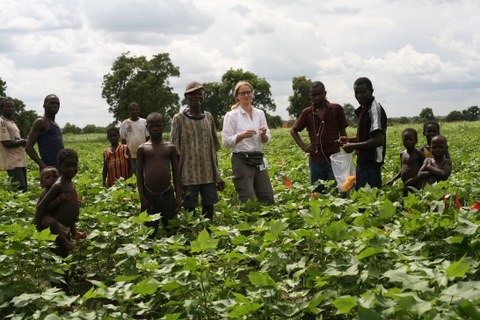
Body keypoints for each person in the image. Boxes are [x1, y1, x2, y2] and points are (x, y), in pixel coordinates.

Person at [170, 81, 224, 220]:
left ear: (202, 96)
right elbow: (174, 152)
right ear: (187, 97)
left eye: (199, 93)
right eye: (192, 94)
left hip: (208, 174)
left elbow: (213, 149)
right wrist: (177, 181)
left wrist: (217, 175)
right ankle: (190, 239)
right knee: (190, 210)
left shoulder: (209, 117)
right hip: (188, 176)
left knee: (209, 206)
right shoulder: (179, 119)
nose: (196, 97)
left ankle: (208, 235)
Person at [222, 81, 274, 206]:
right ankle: (248, 223)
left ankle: (267, 223)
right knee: (248, 200)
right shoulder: (232, 116)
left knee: (267, 196)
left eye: (248, 92)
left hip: (257, 157)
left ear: (252, 94)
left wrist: (263, 135)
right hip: (241, 159)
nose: (246, 95)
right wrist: (242, 136)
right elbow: (226, 141)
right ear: (237, 96)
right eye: (242, 93)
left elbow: (267, 139)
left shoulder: (259, 113)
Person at [290, 81, 348, 192]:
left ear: (325, 93)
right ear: (310, 95)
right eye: (313, 95)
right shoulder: (307, 113)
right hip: (315, 160)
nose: (316, 98)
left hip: (334, 159)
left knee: (336, 191)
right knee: (317, 193)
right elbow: (293, 130)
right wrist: (304, 147)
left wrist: (344, 143)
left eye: (319, 94)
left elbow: (342, 130)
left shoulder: (336, 109)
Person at [35, 149, 87, 257]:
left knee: (65, 254)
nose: (72, 169)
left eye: (74, 165)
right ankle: (63, 273)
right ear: (60, 168)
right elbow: (41, 206)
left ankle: (68, 272)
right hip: (58, 226)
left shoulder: (69, 182)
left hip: (66, 226)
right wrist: (37, 225)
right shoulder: (58, 185)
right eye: (67, 166)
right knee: (59, 253)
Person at [137, 112, 181, 237]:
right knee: (149, 232)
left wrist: (177, 196)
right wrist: (142, 197)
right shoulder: (142, 149)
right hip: (149, 194)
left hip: (168, 193)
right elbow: (139, 175)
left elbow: (176, 173)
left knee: (172, 229)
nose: (155, 129)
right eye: (152, 126)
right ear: (147, 128)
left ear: (164, 126)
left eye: (158, 126)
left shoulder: (170, 147)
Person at [340, 77, 387, 189]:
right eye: (357, 93)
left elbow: (378, 140)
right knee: (362, 198)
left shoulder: (374, 110)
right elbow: (366, 137)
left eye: (363, 92)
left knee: (369, 200)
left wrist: (353, 146)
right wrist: (348, 140)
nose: (359, 96)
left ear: (371, 91)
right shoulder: (364, 110)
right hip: (363, 162)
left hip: (371, 164)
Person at [25, 94, 64, 169]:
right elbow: (28, 147)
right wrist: (43, 166)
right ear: (44, 105)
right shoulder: (41, 122)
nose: (55, 105)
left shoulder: (56, 125)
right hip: (49, 170)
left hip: (60, 167)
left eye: (57, 104)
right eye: (52, 103)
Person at [384, 128, 425, 194]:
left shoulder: (419, 154)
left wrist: (414, 179)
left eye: (410, 139)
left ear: (416, 141)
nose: (408, 141)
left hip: (417, 185)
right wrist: (393, 180)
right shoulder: (402, 154)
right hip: (405, 184)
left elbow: (424, 170)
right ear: (402, 141)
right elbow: (402, 170)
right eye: (405, 139)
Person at [0, 100, 28, 192]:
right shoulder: (1, 122)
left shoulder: (12, 122)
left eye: (12, 107)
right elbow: (7, 143)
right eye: (7, 106)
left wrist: (22, 141)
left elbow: (15, 139)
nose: (10, 108)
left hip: (19, 160)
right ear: (2, 108)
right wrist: (23, 141)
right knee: (20, 189)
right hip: (12, 162)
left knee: (24, 187)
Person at [119, 102, 149, 173]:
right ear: (129, 111)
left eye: (136, 109)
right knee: (132, 173)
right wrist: (124, 154)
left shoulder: (144, 122)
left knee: (144, 172)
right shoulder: (125, 123)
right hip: (130, 154)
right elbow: (123, 140)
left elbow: (148, 138)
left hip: (143, 153)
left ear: (139, 110)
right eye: (132, 110)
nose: (134, 111)